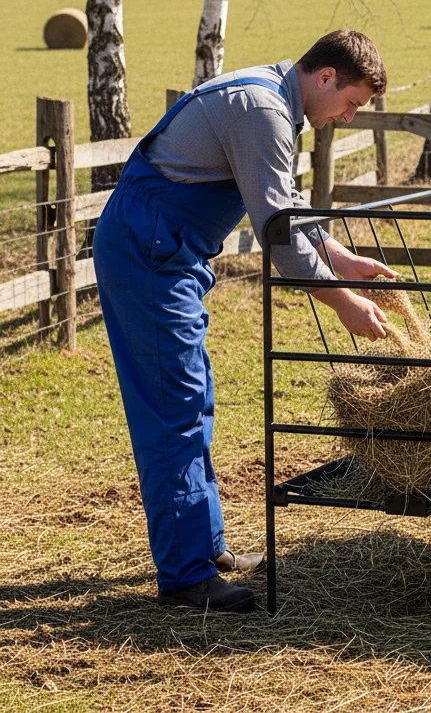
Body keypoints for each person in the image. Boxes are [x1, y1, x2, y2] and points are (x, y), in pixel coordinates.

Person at [93, 30, 394, 613]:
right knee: (172, 408)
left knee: (194, 398)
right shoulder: (262, 111)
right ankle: (185, 577)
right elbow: (279, 238)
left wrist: (343, 259)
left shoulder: (273, 102)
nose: (349, 117)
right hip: (149, 251)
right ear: (326, 76)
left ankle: (205, 549)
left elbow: (282, 208)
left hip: (168, 251)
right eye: (352, 102)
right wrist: (342, 303)